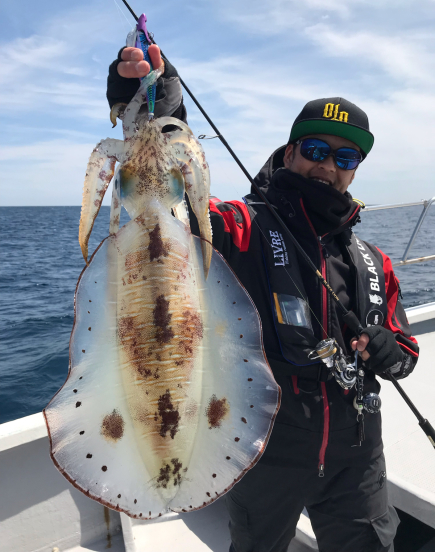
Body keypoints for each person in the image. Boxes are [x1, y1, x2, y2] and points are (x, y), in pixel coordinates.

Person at [107, 46, 419, 552]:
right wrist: (153, 113)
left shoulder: (374, 260)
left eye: (345, 158)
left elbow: (406, 356)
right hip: (265, 448)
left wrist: (389, 349)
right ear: (291, 151)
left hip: (357, 453)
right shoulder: (241, 225)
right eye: (316, 150)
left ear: (356, 170)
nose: (328, 167)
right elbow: (174, 206)